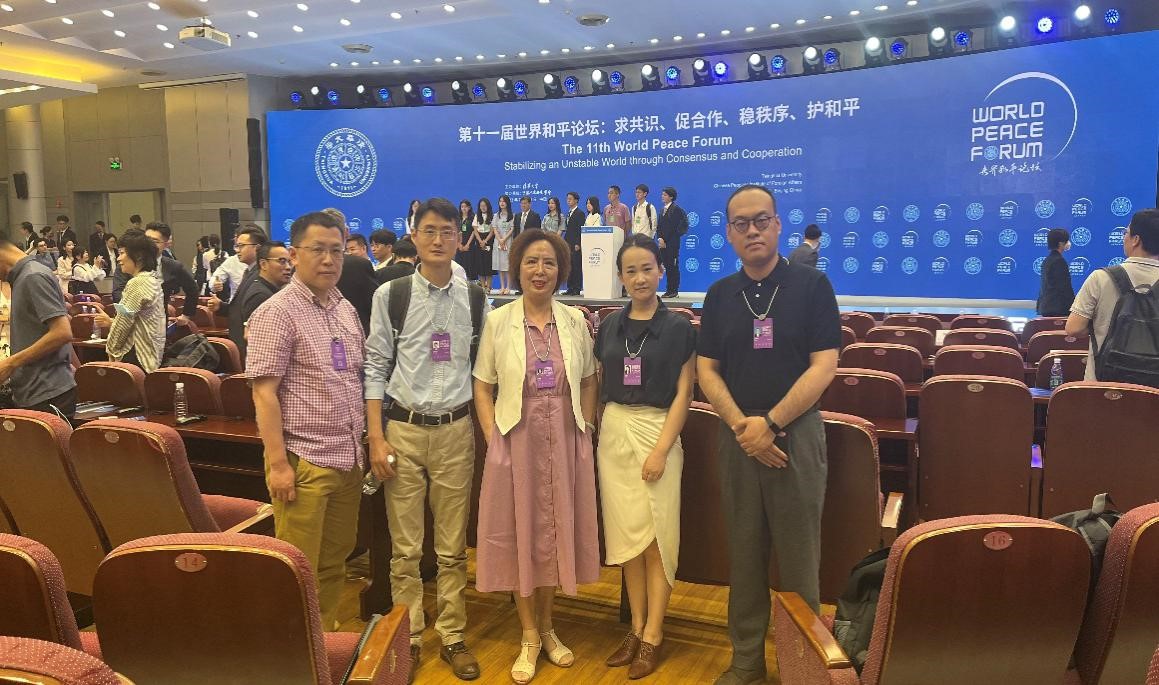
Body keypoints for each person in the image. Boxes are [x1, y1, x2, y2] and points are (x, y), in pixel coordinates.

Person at [697, 185, 840, 685]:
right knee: (744, 556)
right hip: (738, 438)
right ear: (729, 233)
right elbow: (707, 370)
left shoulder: (812, 286)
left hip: (795, 437)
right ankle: (746, 663)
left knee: (800, 562)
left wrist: (772, 424)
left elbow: (824, 366)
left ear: (778, 225)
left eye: (761, 220)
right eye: (741, 223)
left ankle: (803, 668)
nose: (752, 230)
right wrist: (744, 427)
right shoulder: (719, 295)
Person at [365, 198, 488, 682]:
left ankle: (453, 634)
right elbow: (375, 367)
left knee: (453, 548)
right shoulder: (391, 294)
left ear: (460, 238)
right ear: (413, 236)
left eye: (447, 231)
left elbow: (482, 370)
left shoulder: (475, 298)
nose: (438, 240)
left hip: (456, 430)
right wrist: (376, 438)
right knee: (406, 549)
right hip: (403, 431)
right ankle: (409, 635)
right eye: (429, 231)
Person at [473, 229, 599, 685]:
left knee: (554, 535)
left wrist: (586, 428)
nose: (539, 270)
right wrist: (495, 439)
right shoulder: (498, 320)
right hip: (517, 439)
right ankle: (528, 634)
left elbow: (589, 379)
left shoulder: (574, 320)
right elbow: (482, 385)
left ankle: (548, 627)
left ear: (560, 271)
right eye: (531, 262)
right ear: (517, 268)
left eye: (548, 262)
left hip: (564, 437)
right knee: (521, 534)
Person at [247, 210, 365, 632]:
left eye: (337, 250)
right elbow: (264, 393)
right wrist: (278, 465)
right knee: (298, 572)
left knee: (334, 564)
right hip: (304, 463)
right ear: (294, 255)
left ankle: (324, 642)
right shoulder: (277, 312)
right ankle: (294, 653)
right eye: (318, 250)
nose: (329, 259)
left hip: (347, 460)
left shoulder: (344, 308)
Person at [596, 234, 696, 679]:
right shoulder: (608, 326)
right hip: (615, 434)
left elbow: (684, 394)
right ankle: (635, 627)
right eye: (631, 271)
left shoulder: (678, 327)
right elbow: (600, 382)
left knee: (657, 539)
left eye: (647, 269)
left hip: (658, 431)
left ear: (661, 271)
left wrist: (660, 450)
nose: (639, 278)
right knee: (626, 540)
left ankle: (655, 632)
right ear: (621, 277)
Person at [1067, 209, 1159, 381]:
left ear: (1136, 240)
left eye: (1126, 232)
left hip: (1103, 386)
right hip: (1153, 390)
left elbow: (1073, 328)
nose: (1124, 237)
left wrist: (1100, 325)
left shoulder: (1101, 277)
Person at [0, 230, 76, 417]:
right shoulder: (22, 276)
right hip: (32, 391)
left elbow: (62, 332)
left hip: (47, 392)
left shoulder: (32, 276)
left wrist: (11, 363)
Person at [94, 230, 165, 373]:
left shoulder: (137, 283)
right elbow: (136, 320)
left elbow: (124, 322)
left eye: (122, 253)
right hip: (149, 357)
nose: (118, 258)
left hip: (136, 357)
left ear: (138, 256)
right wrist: (112, 321)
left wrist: (111, 351)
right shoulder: (152, 279)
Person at [113, 223, 197, 327]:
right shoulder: (127, 263)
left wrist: (186, 315)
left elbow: (192, 289)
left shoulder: (173, 266)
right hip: (131, 321)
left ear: (166, 244)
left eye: (155, 241)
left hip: (159, 324)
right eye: (147, 239)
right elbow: (117, 293)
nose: (149, 244)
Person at [323, 208, 379, 335]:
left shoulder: (303, 265)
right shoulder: (359, 265)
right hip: (358, 334)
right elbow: (375, 306)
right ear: (346, 232)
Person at [234, 241, 292, 362]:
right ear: (263, 264)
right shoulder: (261, 296)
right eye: (282, 261)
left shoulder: (268, 291)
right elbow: (260, 345)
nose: (288, 267)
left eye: (289, 262)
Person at [211, 227, 265, 301]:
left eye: (241, 245)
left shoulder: (265, 268)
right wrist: (215, 284)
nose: (237, 250)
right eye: (236, 246)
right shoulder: (232, 261)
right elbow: (216, 277)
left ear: (257, 247)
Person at [657, 187, 689, 298]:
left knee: (673, 267)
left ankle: (673, 290)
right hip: (663, 244)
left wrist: (670, 240)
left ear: (671, 197)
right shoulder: (662, 210)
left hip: (672, 244)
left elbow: (683, 226)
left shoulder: (677, 209)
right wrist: (660, 238)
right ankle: (668, 290)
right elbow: (659, 226)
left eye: (665, 195)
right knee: (667, 266)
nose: (662, 196)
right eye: (662, 194)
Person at [1037, 228, 1075, 317]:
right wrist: (1074, 307)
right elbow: (1064, 288)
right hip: (1057, 310)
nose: (1068, 243)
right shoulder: (1059, 261)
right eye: (1066, 241)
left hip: (1046, 307)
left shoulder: (1047, 260)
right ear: (1061, 244)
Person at [493, 195, 516, 295]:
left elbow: (512, 229)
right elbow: (494, 228)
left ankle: (508, 287)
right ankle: (502, 286)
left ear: (507, 203)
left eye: (504, 201)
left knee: (507, 265)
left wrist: (504, 239)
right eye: (500, 201)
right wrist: (500, 240)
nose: (502, 203)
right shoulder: (496, 215)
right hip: (498, 242)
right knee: (500, 265)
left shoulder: (512, 215)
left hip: (508, 241)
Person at [563, 192, 585, 296]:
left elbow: (580, 229)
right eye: (567, 199)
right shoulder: (569, 213)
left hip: (575, 244)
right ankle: (570, 287)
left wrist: (578, 243)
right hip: (568, 243)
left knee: (576, 266)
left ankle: (577, 288)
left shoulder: (580, 213)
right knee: (569, 266)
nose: (568, 200)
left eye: (570, 199)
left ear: (576, 200)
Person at [473, 198, 495, 291]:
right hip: (479, 240)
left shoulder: (492, 216)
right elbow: (475, 230)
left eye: (484, 205)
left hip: (489, 240)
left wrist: (485, 241)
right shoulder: (476, 216)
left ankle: (489, 286)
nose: (483, 207)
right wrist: (480, 241)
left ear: (488, 206)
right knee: (480, 264)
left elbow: (492, 231)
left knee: (488, 264)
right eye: (481, 206)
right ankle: (482, 287)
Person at [457, 199, 479, 283]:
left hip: (470, 246)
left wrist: (467, 245)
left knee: (469, 265)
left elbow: (474, 232)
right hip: (459, 246)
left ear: (469, 207)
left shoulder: (473, 218)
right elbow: (456, 231)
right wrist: (459, 244)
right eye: (462, 207)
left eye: (465, 207)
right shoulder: (458, 218)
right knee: (459, 266)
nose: (463, 208)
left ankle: (470, 284)